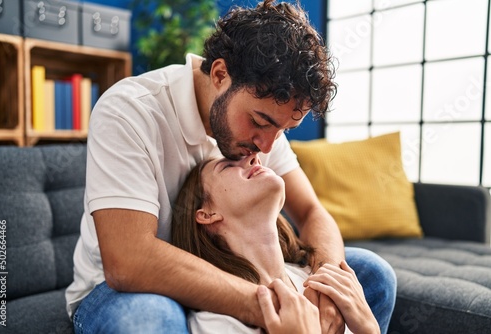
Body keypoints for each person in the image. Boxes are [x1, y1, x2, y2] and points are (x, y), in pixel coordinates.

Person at [66, 0, 397, 333]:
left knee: (369, 273)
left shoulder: (265, 123)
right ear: (220, 74)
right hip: (130, 288)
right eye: (260, 121)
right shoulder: (130, 111)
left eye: (282, 131)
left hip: (237, 269)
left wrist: (324, 288)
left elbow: (311, 212)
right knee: (151, 319)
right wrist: (276, 305)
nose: (267, 146)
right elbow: (129, 261)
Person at [171, 154, 380, 334]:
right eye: (227, 166)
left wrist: (370, 329)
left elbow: (313, 211)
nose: (254, 157)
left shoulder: (320, 284)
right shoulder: (219, 322)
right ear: (207, 214)